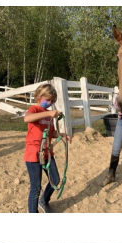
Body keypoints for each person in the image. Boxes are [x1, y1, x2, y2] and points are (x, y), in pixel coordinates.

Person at [24, 83, 71, 213]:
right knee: (35, 188)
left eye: (52, 101)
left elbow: (52, 133)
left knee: (55, 180)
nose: (50, 103)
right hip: (33, 154)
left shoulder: (48, 115)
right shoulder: (35, 110)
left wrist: (62, 135)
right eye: (48, 100)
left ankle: (44, 201)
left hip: (47, 154)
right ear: (39, 96)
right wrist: (49, 113)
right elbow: (27, 119)